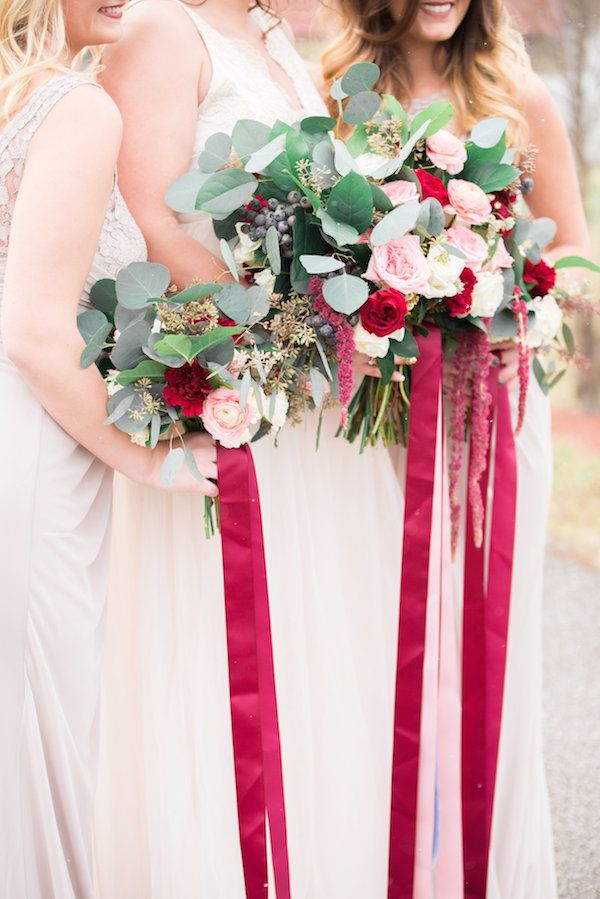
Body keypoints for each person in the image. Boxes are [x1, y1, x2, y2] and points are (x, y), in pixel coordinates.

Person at [93, 2, 410, 897]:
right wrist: (280, 319)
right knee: (230, 677)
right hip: (240, 397)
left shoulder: (274, 39)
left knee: (325, 673)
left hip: (307, 415)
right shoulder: (162, 30)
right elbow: (148, 224)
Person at [322, 1, 590, 897]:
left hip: (491, 413)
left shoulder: (519, 96)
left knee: (480, 646)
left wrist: (523, 300)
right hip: (375, 419)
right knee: (374, 634)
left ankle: (480, 867)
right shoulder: (333, 92)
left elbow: (578, 257)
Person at [0, 0, 215, 894]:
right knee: (35, 733)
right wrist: (158, 460)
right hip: (31, 448)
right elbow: (40, 334)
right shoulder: (75, 108)